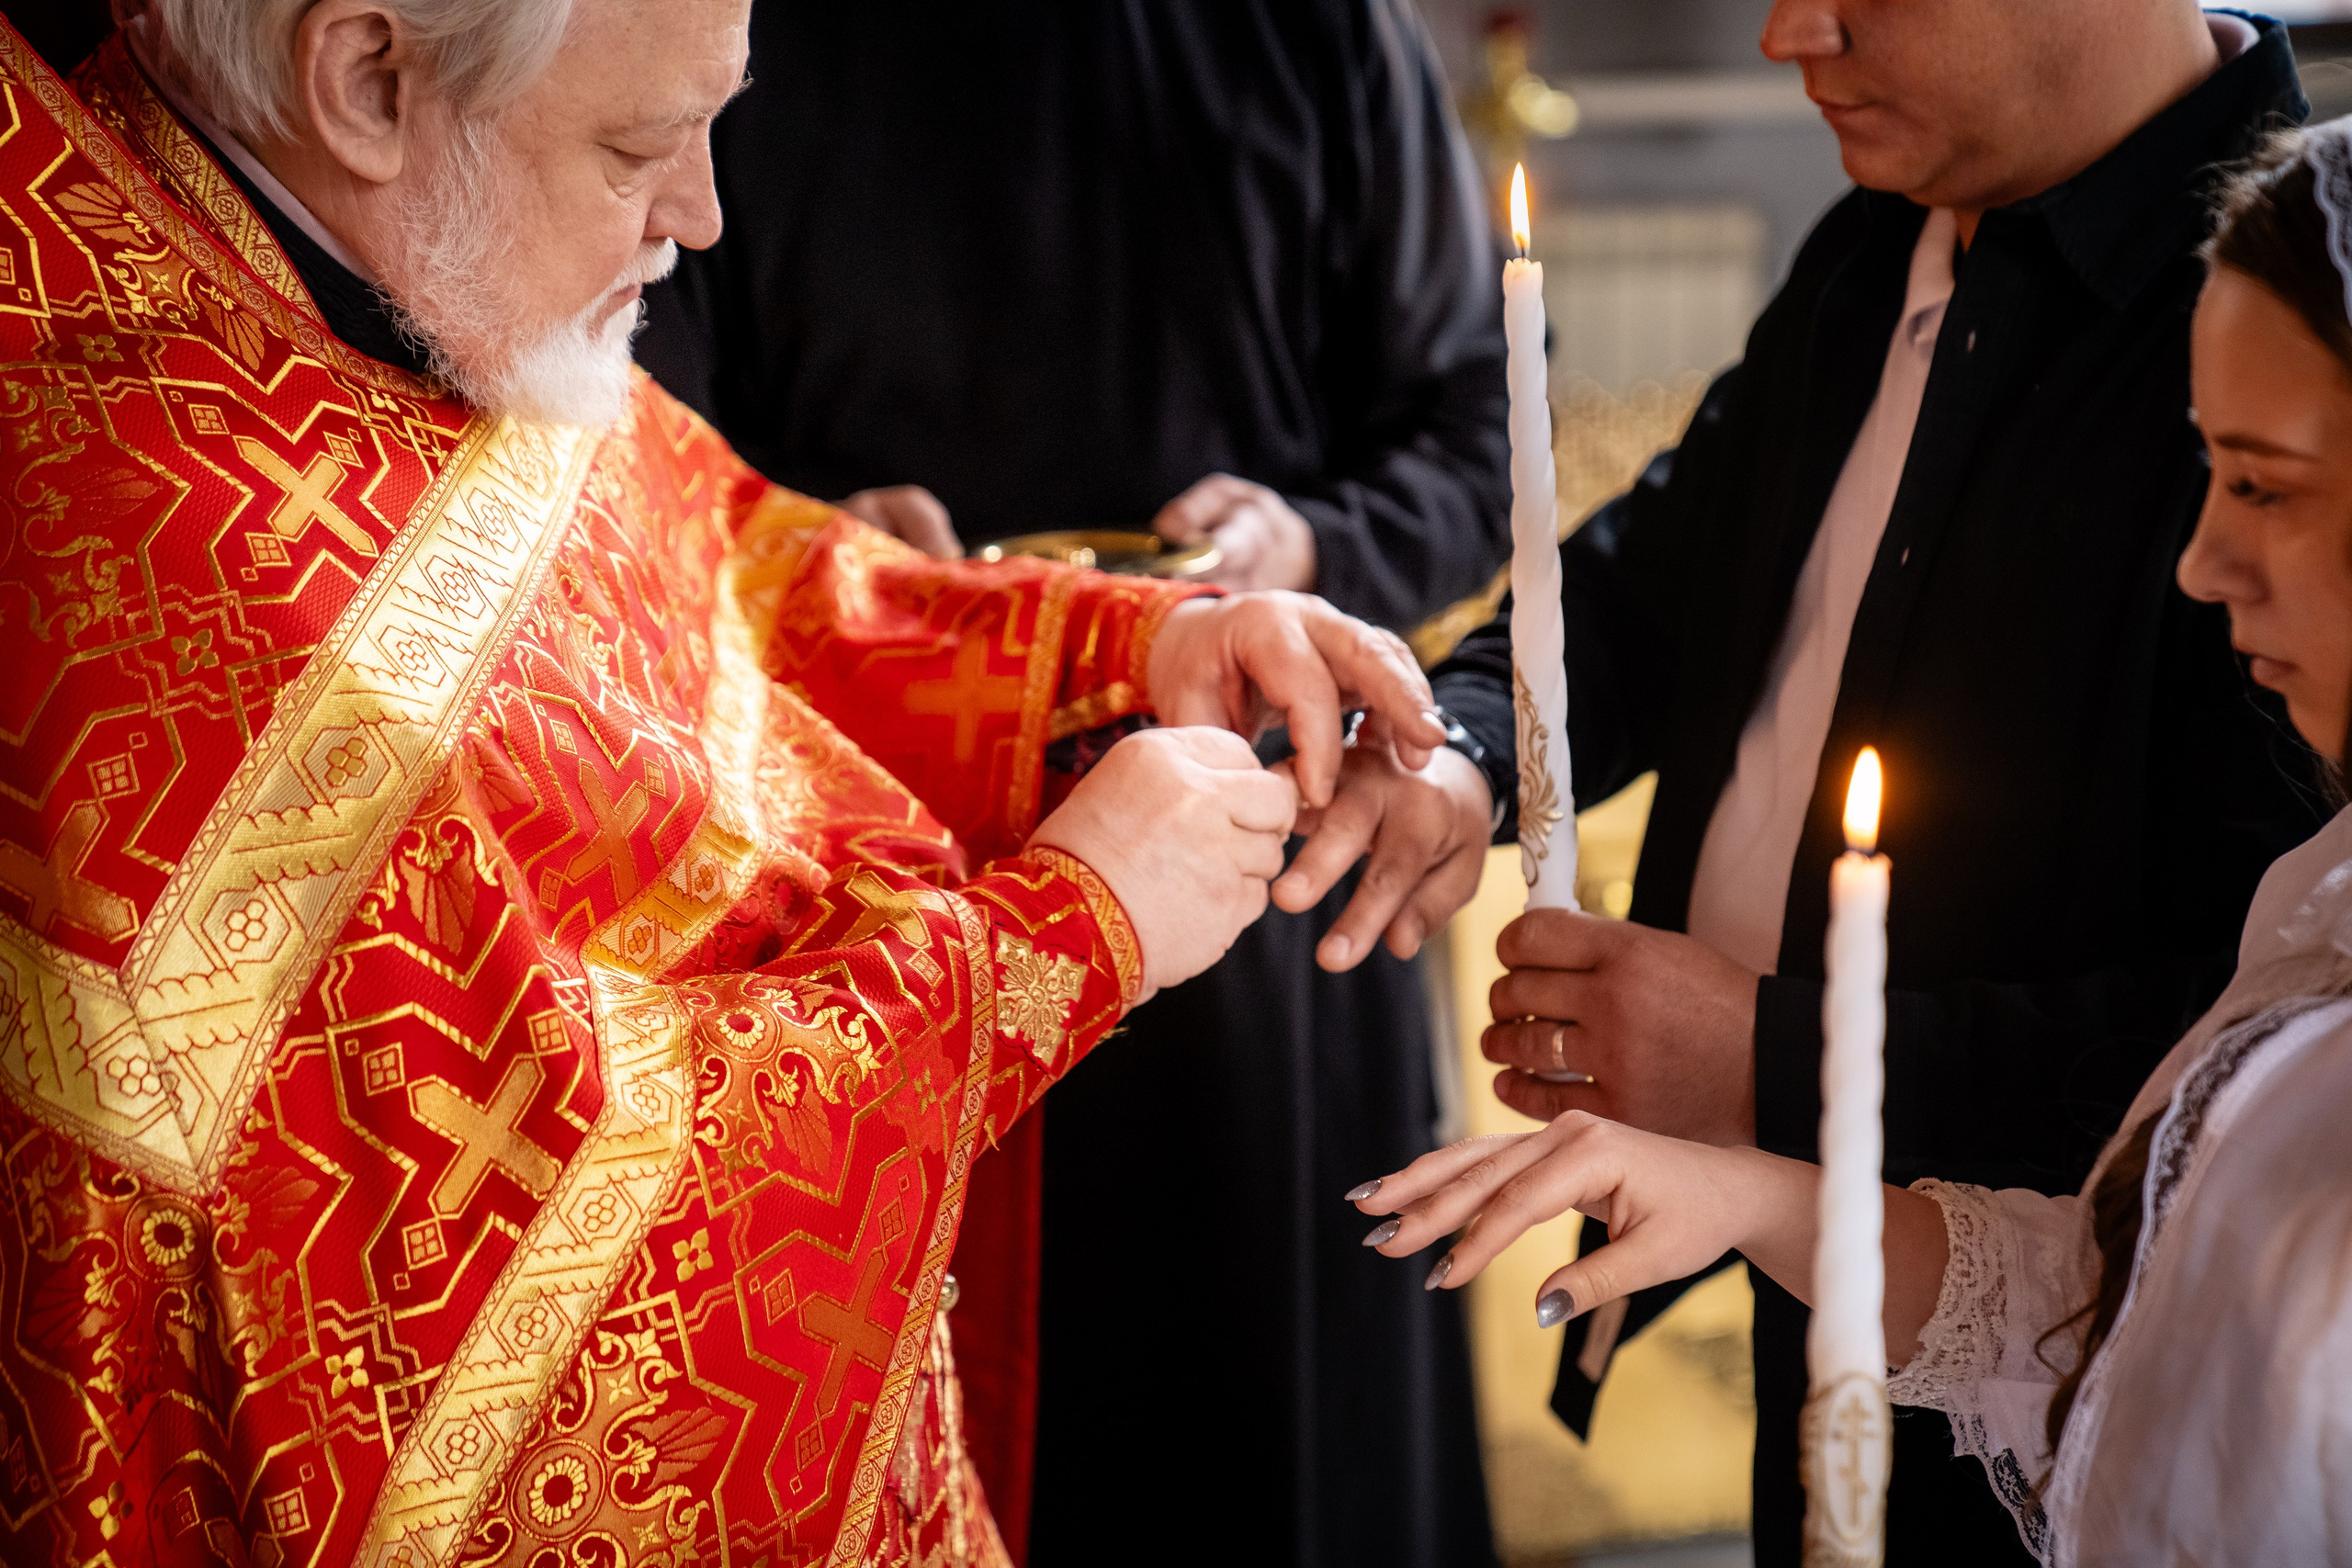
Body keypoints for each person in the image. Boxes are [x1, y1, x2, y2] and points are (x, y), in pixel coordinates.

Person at [0, 4, 1449, 1563]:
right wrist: (1059, 940)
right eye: (639, 149)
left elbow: (720, 578)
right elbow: (498, 1350)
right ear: (364, 81)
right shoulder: (154, 573)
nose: (700, 213)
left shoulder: (327, 247)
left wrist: (1137, 644)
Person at [1281, 2, 2332, 1562]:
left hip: (2070, 1370)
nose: (1791, 32)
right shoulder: (1884, 236)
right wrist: (1464, 748)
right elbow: (1655, 581)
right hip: (1791, 1252)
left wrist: (1762, 1056)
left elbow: (2250, 1042)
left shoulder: (2285, 341)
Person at [632, 7, 1508, 1562]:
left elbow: (1478, 420)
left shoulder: (1320, 33)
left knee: (1280, 1465)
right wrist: (824, 535)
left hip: (1264, 843)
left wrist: (1313, 546)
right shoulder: (733, 32)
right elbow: (635, 454)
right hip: (892, 911)